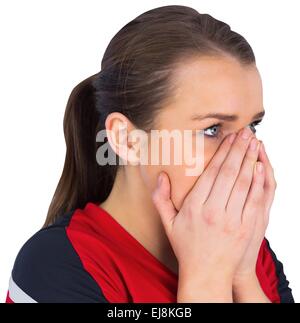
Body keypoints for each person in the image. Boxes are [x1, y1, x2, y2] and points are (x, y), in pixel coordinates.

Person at [6, 5, 294, 303]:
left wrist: (243, 276)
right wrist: (207, 277)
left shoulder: (250, 252)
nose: (247, 157)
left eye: (252, 126)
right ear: (127, 139)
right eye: (212, 129)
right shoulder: (55, 266)